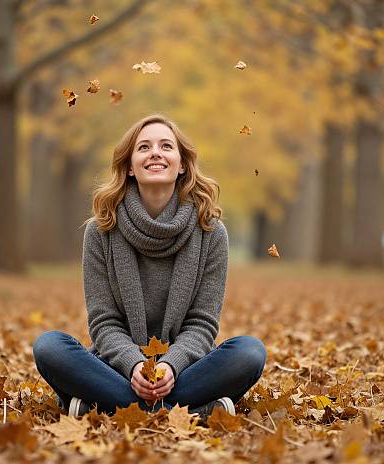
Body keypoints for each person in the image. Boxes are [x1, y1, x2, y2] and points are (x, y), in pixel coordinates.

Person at [33, 114, 266, 418]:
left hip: (184, 370)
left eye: (166, 146)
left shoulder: (210, 232)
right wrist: (134, 366)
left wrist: (170, 365)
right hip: (116, 368)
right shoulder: (101, 230)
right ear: (130, 166)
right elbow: (104, 322)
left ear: (181, 164)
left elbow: (202, 324)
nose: (155, 152)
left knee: (249, 353)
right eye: (144, 147)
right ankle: (197, 412)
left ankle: (105, 407)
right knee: (49, 347)